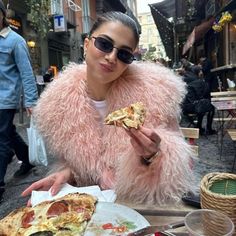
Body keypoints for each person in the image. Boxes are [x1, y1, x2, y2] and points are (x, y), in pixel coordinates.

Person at [22, 11, 195, 205]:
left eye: (124, 54)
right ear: (86, 45)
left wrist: (154, 157)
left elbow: (182, 166)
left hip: (141, 207)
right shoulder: (57, 106)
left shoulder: (156, 96)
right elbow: (78, 165)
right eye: (104, 44)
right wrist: (67, 173)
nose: (112, 57)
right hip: (93, 214)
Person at [0, 0, 38, 201]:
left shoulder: (15, 41)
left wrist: (31, 101)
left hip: (5, 99)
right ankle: (26, 158)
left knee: (1, 139)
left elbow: (26, 73)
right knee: (8, 133)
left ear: (2, 15)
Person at [182, 66, 216, 135]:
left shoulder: (186, 78)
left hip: (184, 106)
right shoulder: (199, 82)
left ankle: (199, 126)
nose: (202, 72)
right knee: (211, 107)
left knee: (202, 106)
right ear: (198, 72)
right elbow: (202, 95)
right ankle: (208, 129)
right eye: (200, 71)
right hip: (192, 106)